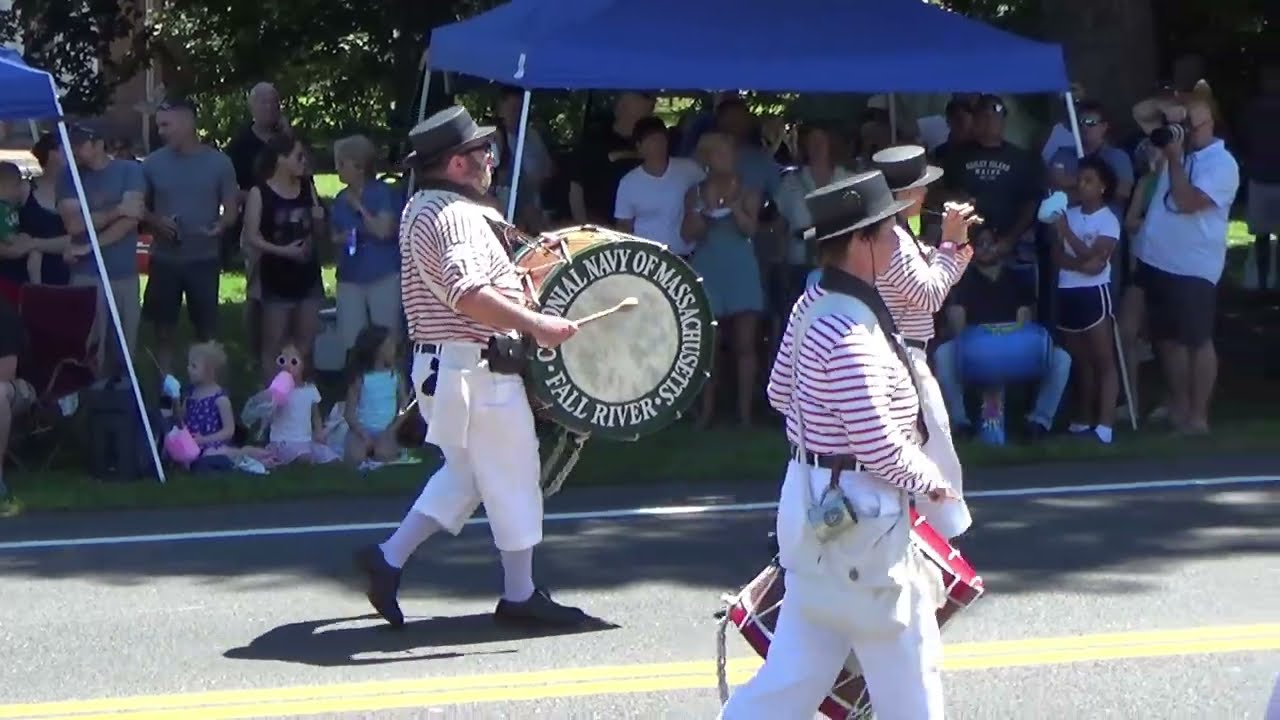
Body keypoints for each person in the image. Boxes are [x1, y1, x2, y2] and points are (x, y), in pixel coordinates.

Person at [720, 170, 960, 720]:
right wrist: (933, 482)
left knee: (792, 679)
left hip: (811, 505)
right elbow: (878, 446)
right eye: (887, 231)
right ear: (860, 242)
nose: (895, 239)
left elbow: (779, 392)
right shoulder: (853, 332)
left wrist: (821, 430)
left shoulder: (812, 303)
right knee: (910, 671)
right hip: (862, 520)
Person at [354, 106, 589, 629]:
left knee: (468, 473)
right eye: (482, 151)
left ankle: (387, 560)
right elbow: (467, 293)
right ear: (456, 164)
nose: (491, 158)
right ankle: (520, 594)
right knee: (514, 471)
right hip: (475, 369)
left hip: (448, 367)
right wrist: (536, 324)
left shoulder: (423, 205)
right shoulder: (455, 215)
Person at [870, 145, 976, 537]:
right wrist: (949, 244)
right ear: (906, 194)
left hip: (907, 353)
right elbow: (930, 294)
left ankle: (929, 534)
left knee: (930, 449)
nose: (926, 194)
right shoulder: (893, 239)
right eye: (920, 187)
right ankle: (935, 537)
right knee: (933, 451)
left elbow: (937, 274)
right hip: (902, 356)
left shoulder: (900, 234)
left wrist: (956, 244)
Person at [1132, 96, 1240, 434]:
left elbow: (1187, 202)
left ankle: (1198, 416)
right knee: (1167, 340)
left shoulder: (1222, 164)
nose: (1189, 130)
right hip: (1157, 259)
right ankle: (1179, 407)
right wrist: (1171, 107)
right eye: (1186, 124)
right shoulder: (1175, 145)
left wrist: (1175, 159)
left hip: (1193, 265)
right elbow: (1141, 113)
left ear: (1212, 124)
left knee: (1196, 339)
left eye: (1195, 124)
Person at [934, 226, 1072, 443]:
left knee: (1062, 359)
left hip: (1013, 346)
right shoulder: (961, 279)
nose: (986, 248)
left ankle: (1039, 422)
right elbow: (957, 321)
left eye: (990, 242)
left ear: (1000, 245)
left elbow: (1025, 319)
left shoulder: (1016, 278)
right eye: (980, 244)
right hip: (975, 349)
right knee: (943, 353)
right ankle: (961, 423)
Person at [141, 99, 240, 375]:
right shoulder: (152, 164)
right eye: (159, 125)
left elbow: (231, 209)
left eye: (166, 125)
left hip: (204, 259)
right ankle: (165, 387)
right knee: (163, 330)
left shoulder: (219, 163)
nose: (161, 131)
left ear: (188, 123)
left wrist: (221, 225)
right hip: (164, 259)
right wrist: (156, 221)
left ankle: (209, 386)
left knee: (207, 330)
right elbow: (139, 207)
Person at [682, 131, 764, 427]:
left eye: (729, 152)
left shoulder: (749, 190)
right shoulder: (694, 193)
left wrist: (737, 208)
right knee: (709, 345)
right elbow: (687, 235)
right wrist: (703, 214)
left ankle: (745, 414)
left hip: (740, 267)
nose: (727, 158)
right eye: (720, 153)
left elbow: (750, 230)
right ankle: (706, 412)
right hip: (708, 267)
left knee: (745, 344)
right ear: (707, 159)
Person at [56, 121, 146, 379]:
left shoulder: (130, 170)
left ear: (98, 144)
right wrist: (117, 210)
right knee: (88, 347)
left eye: (80, 144)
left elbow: (131, 221)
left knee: (125, 346)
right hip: (85, 276)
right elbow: (74, 224)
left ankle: (122, 393)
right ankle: (88, 393)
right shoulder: (69, 176)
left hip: (123, 273)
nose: (74, 150)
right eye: (71, 144)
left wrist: (89, 246)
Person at [241, 134, 325, 379]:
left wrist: (319, 220)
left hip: (308, 276)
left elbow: (319, 233)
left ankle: (298, 392)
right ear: (280, 159)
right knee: (274, 345)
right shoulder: (260, 192)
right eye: (298, 157)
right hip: (275, 278)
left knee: (305, 343)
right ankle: (273, 395)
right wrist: (284, 251)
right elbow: (252, 236)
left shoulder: (308, 187)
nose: (304, 162)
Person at [1052, 157, 1121, 444]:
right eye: (1080, 180)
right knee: (1080, 361)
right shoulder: (1068, 213)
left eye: (1089, 180)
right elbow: (1058, 256)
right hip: (1067, 291)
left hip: (1094, 294)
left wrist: (1068, 235)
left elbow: (1098, 260)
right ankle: (1083, 419)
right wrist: (1082, 263)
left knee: (1103, 360)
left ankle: (1105, 425)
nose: (1082, 185)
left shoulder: (1108, 220)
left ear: (1103, 186)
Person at [330, 134, 403, 352]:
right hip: (350, 276)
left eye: (342, 163)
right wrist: (340, 238)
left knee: (387, 338)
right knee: (350, 340)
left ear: (360, 167)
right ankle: (355, 373)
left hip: (382, 274)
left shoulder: (383, 193)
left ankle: (388, 373)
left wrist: (359, 208)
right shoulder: (340, 198)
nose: (337, 168)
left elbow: (383, 231)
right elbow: (333, 234)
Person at [613, 115, 704, 256]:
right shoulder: (628, 183)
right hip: (647, 258)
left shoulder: (689, 169)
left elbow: (709, 196)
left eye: (661, 140)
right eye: (651, 141)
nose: (658, 146)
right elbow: (624, 224)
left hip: (685, 256)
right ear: (639, 146)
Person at [342, 324, 409, 465]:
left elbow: (404, 406)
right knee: (355, 457)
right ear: (377, 350)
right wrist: (363, 434)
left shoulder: (395, 375)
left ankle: (382, 448)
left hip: (387, 430)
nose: (394, 349)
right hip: (362, 430)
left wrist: (392, 429)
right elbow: (349, 413)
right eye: (390, 345)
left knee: (383, 453)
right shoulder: (361, 378)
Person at [265, 341, 339, 465]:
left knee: (331, 457)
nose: (287, 366)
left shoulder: (310, 390)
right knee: (304, 458)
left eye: (293, 362)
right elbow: (269, 413)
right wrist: (275, 396)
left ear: (304, 365)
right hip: (283, 440)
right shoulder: (277, 390)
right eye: (282, 361)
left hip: (305, 441)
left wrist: (319, 432)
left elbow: (315, 415)